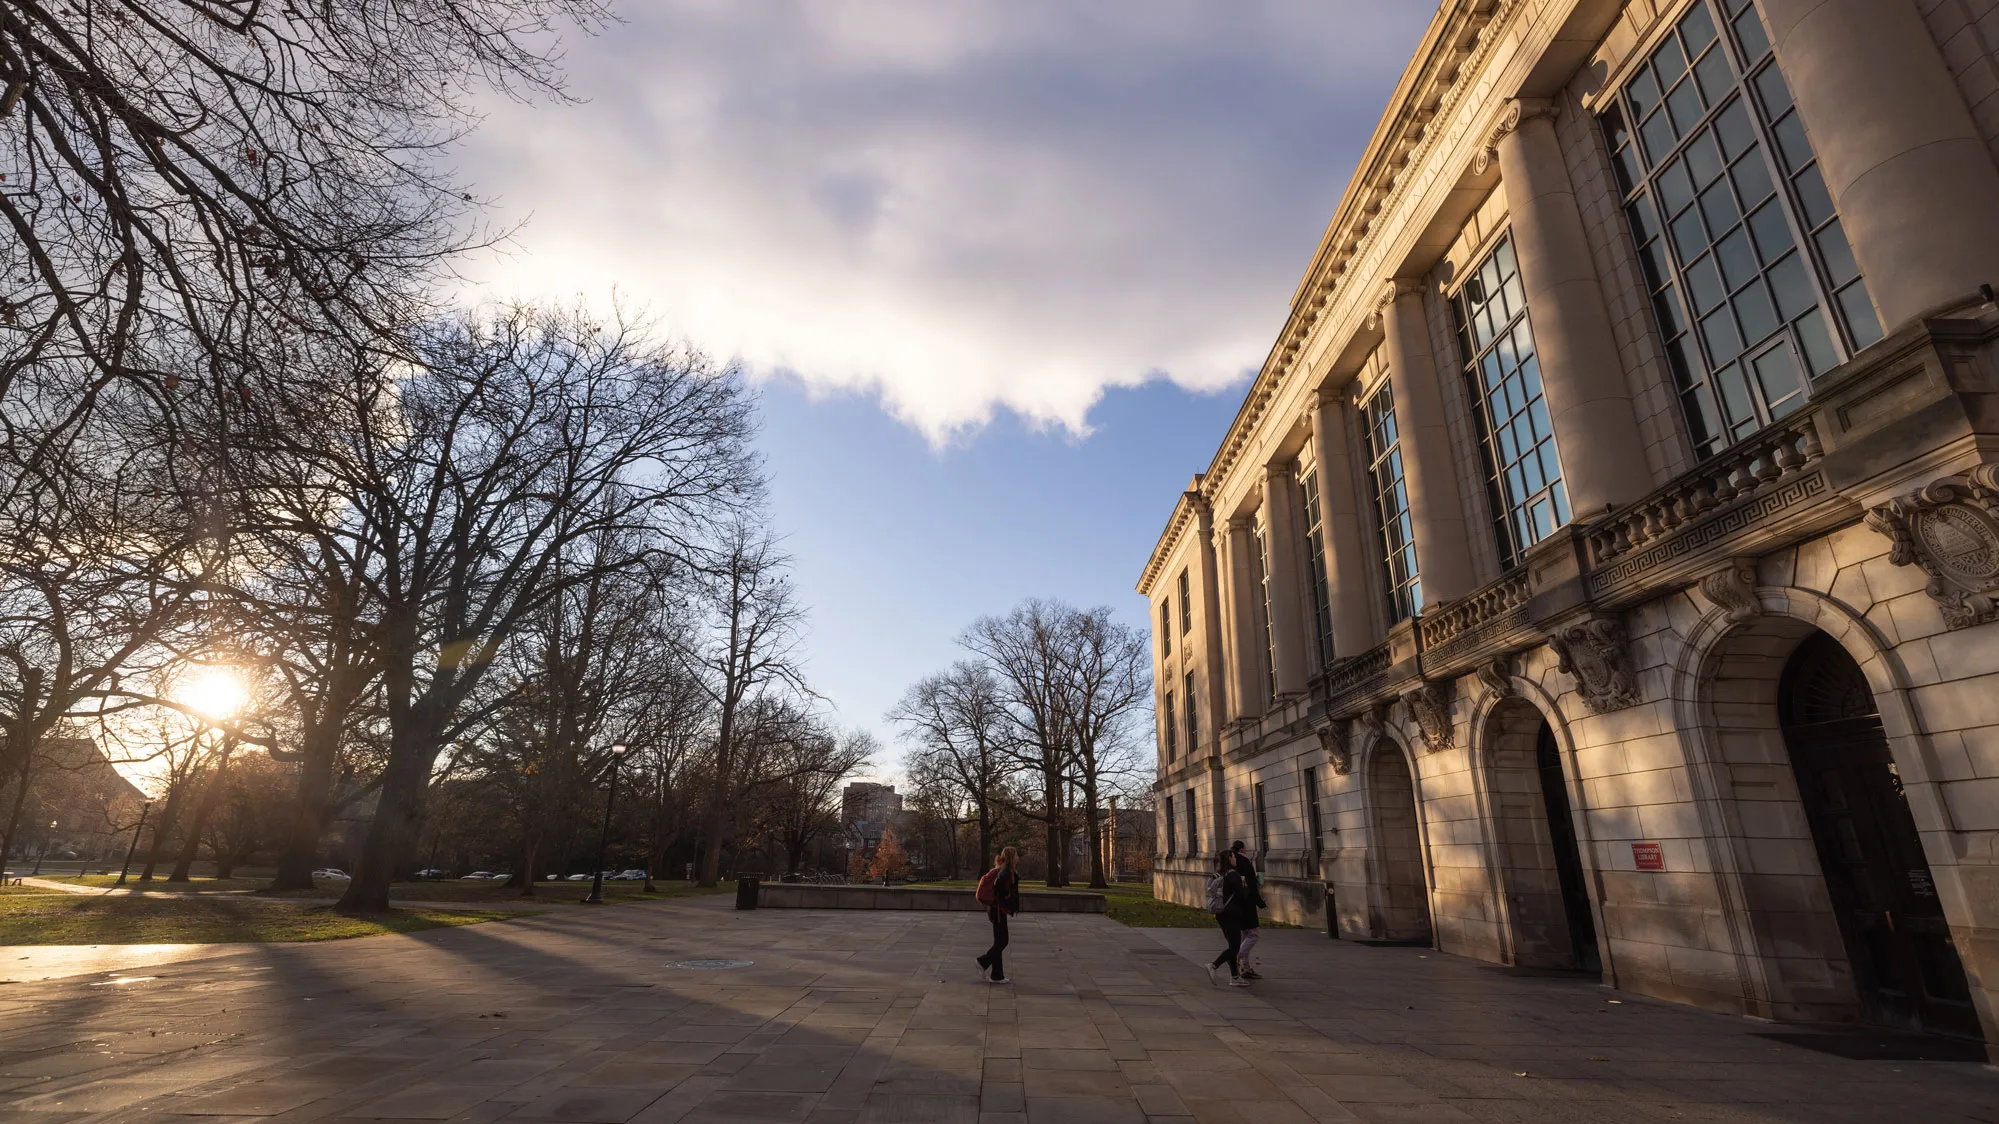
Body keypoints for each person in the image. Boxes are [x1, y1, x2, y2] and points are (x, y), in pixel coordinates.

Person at [1206, 851, 1253, 987]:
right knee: (1235, 947)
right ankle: (1213, 965)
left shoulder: (1219, 874)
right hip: (1232, 914)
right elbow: (1243, 895)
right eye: (1233, 856)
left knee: (1232, 945)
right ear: (1229, 859)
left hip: (1221, 913)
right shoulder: (1233, 875)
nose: (1235, 859)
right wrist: (1245, 886)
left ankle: (1234, 976)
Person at [975, 846, 1020, 984]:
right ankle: (982, 962)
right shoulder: (1006, 870)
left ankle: (997, 974)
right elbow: (999, 883)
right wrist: (1006, 895)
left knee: (999, 942)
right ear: (1012, 856)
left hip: (996, 909)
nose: (1018, 857)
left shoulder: (1004, 869)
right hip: (998, 910)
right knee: (1003, 941)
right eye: (1016, 854)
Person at [1230, 840, 1265, 979]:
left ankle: (1245, 966)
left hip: (1238, 903)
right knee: (1253, 933)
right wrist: (1260, 902)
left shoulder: (1234, 862)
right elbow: (1250, 885)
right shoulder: (1244, 862)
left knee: (1245, 933)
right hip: (1247, 902)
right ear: (1242, 849)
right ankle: (1238, 955)